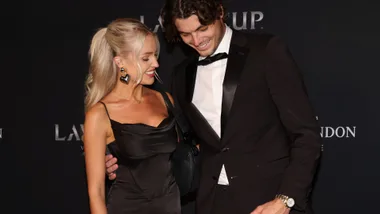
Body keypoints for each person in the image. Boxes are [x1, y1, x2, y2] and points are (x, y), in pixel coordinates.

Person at [105, 0, 322, 214]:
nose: (196, 40)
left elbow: (306, 135)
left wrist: (285, 199)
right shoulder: (181, 74)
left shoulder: (265, 51)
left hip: (271, 200)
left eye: (202, 28)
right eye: (185, 35)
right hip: (213, 202)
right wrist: (122, 160)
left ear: (219, 12)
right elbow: (177, 143)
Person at [83, 18, 181, 214]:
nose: (156, 63)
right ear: (120, 62)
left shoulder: (165, 100)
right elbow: (96, 192)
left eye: (155, 55)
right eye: (146, 58)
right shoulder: (100, 114)